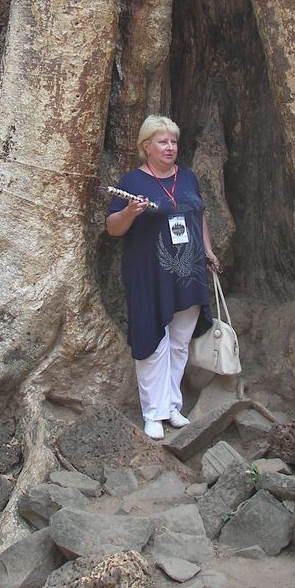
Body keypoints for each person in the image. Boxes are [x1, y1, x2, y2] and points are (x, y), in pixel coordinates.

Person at [106, 115, 220, 439]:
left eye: (173, 141)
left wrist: (208, 251)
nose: (170, 147)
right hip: (148, 273)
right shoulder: (132, 182)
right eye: (162, 142)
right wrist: (129, 212)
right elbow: (112, 228)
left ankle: (171, 405)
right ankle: (152, 413)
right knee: (154, 340)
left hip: (189, 269)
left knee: (181, 340)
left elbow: (199, 216)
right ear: (146, 146)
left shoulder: (187, 177)